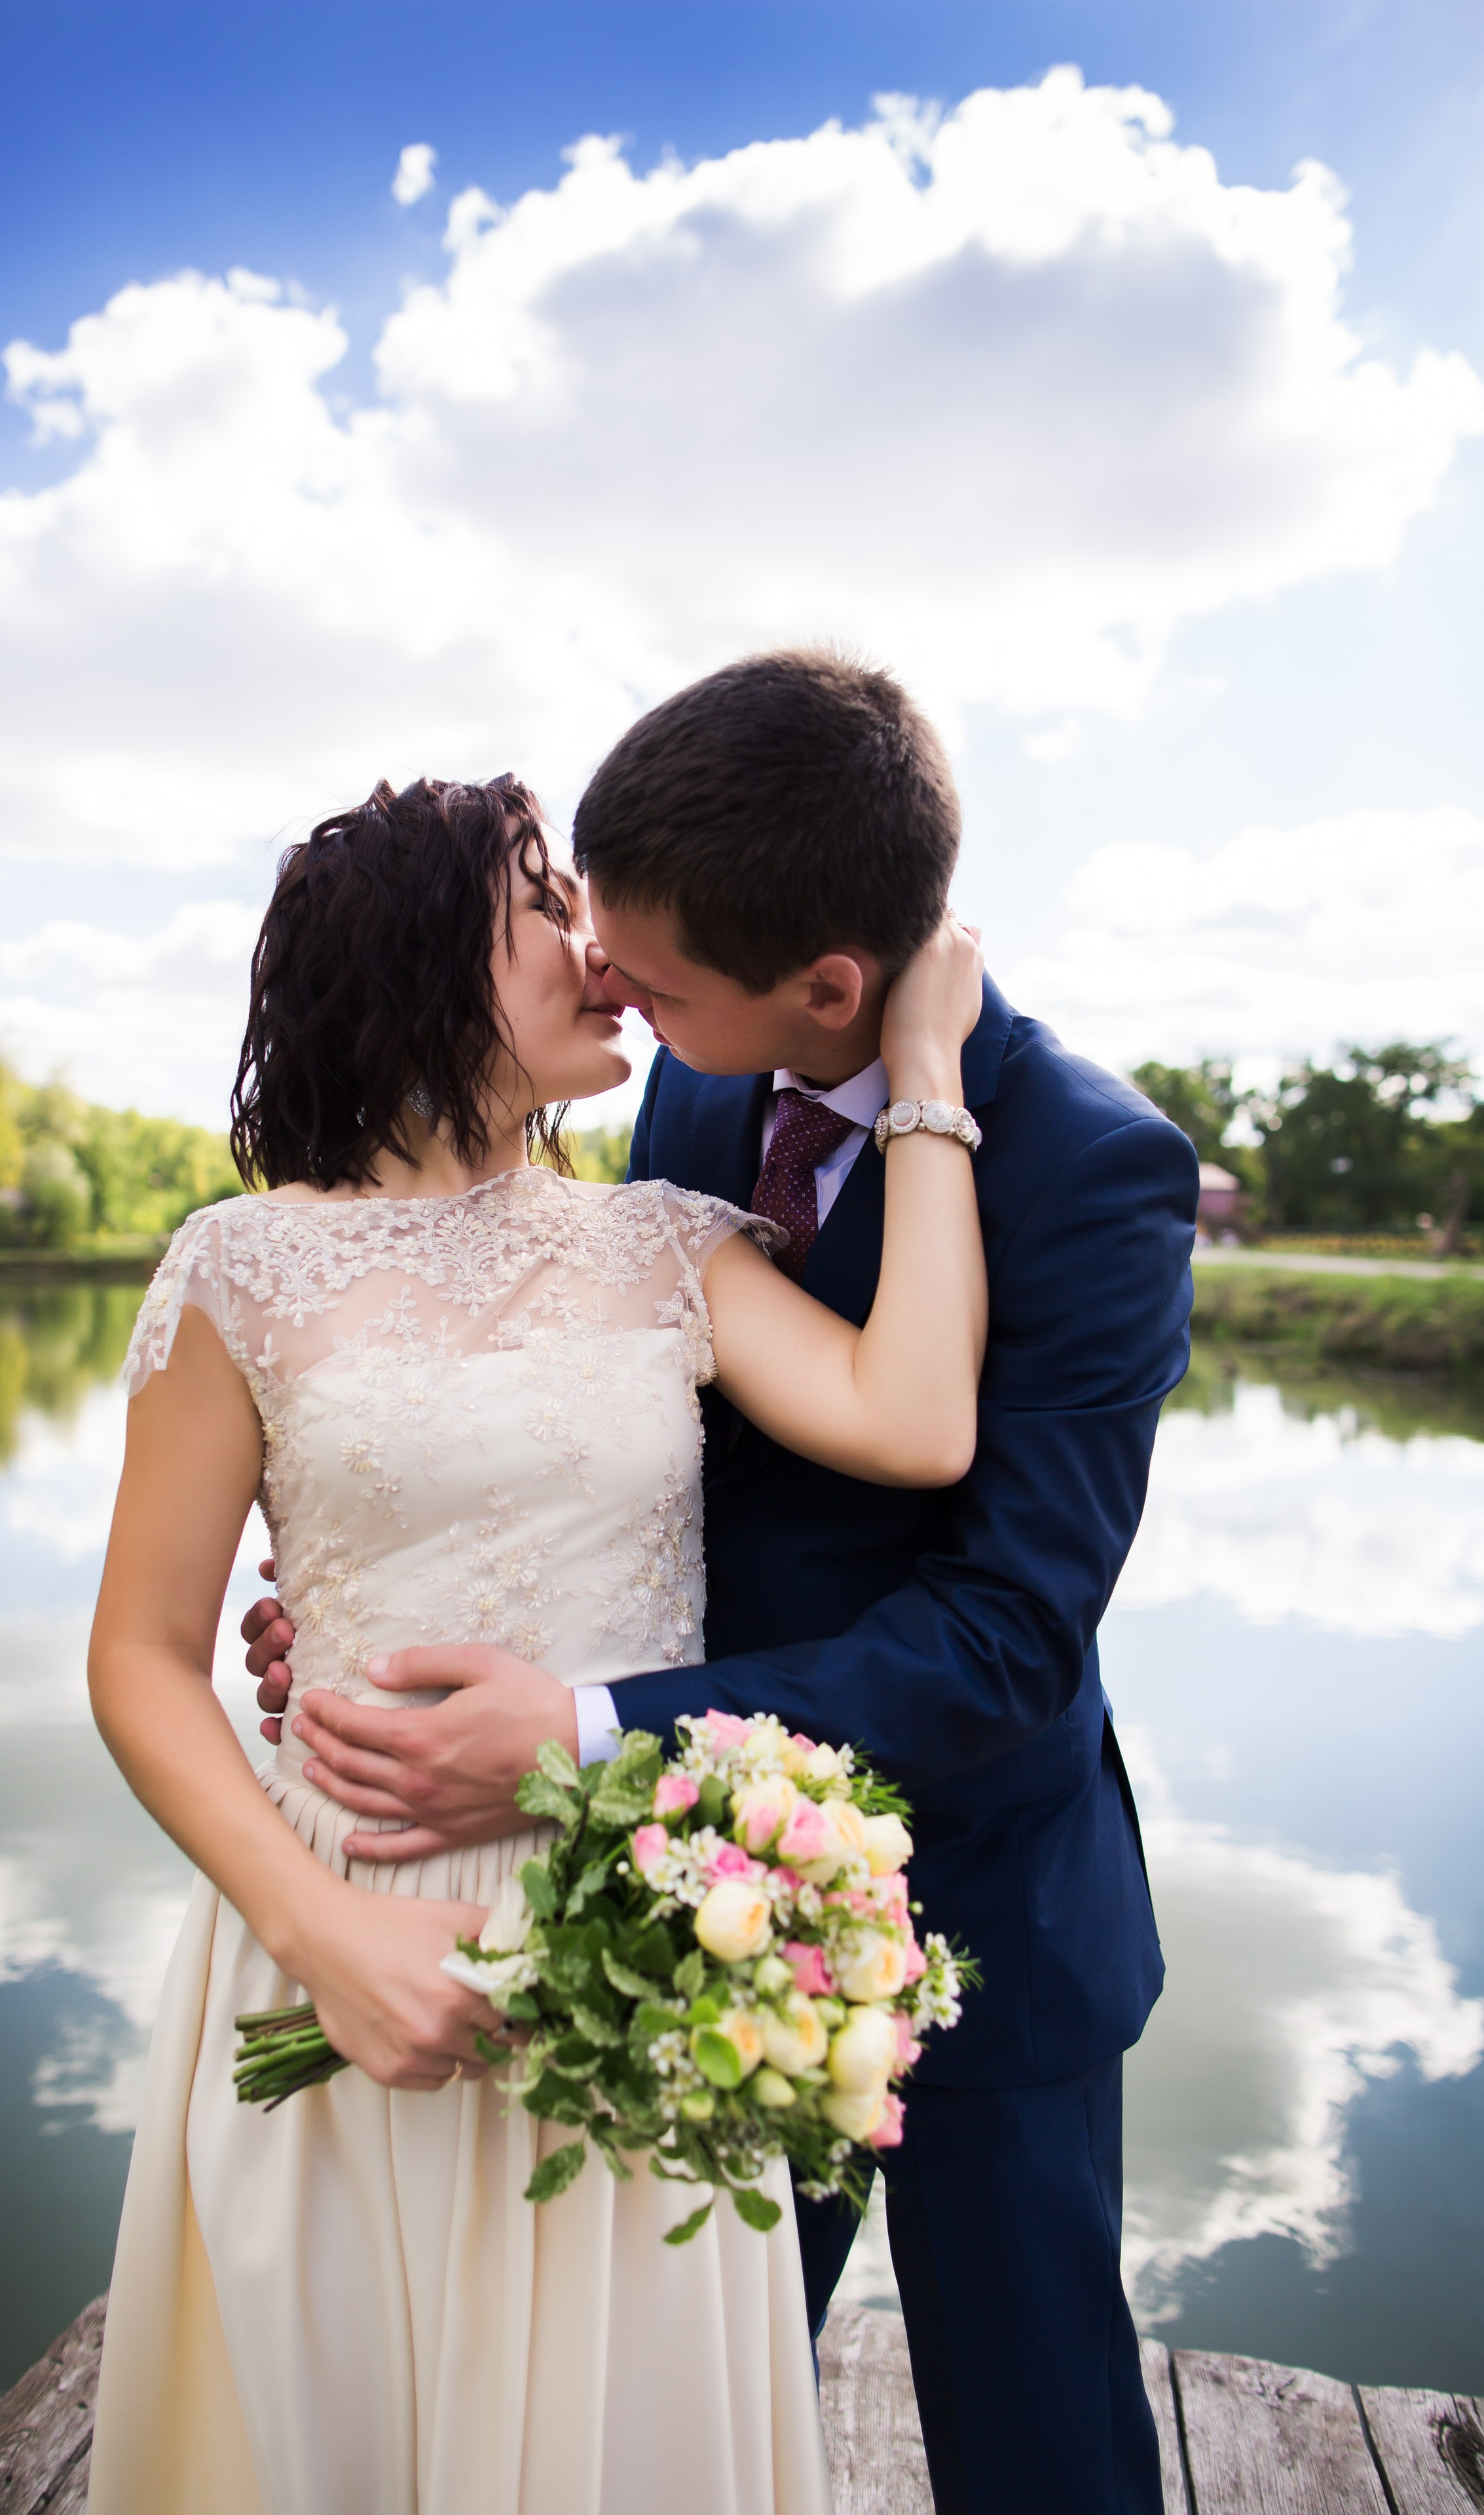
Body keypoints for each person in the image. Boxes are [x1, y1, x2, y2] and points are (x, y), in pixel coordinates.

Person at [248, 652, 1200, 2515]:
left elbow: (1009, 1627)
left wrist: (592, 1725)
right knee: (688, 2420)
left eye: (656, 977)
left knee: (1038, 2435)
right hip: (673, 1914)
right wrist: (390, 1609)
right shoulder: (690, 1095)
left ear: (830, 987)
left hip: (980, 1907)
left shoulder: (1097, 1170)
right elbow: (616, 1427)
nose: (614, 983)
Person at [85, 760, 986, 2515]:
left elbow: (919, 1414)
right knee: (334, 2416)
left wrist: (931, 1084)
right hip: (337, 1914)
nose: (606, 952)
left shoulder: (667, 1247)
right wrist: (322, 1925)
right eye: (548, 909)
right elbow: (139, 1657)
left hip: (633, 1929)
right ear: (424, 966)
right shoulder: (237, 1272)